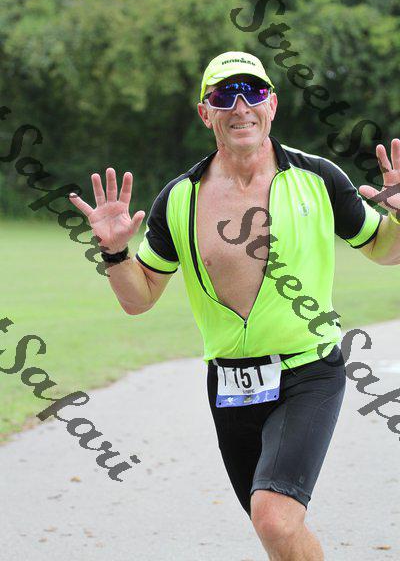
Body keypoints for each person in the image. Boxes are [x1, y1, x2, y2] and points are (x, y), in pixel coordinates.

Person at [69, 51, 400, 560]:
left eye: (253, 92)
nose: (241, 106)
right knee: (275, 528)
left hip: (308, 372)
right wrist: (114, 252)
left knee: (274, 517)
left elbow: (383, 249)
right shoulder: (179, 198)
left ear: (273, 105)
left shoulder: (318, 177)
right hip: (230, 385)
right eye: (225, 95)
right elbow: (139, 298)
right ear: (206, 113)